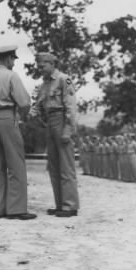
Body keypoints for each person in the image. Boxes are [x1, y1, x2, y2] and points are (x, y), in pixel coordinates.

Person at [0, 45, 36, 220]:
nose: (14, 62)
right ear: (9, 58)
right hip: (6, 118)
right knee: (16, 163)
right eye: (13, 59)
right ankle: (16, 209)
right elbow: (25, 103)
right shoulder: (11, 76)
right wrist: (22, 116)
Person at [33, 52, 79, 217]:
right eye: (38, 66)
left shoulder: (64, 79)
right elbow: (38, 102)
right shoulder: (44, 83)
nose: (40, 68)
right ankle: (60, 204)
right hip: (50, 123)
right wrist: (33, 113)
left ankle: (70, 206)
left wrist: (68, 128)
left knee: (66, 166)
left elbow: (71, 105)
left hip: (61, 121)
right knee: (53, 166)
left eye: (42, 65)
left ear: (52, 64)